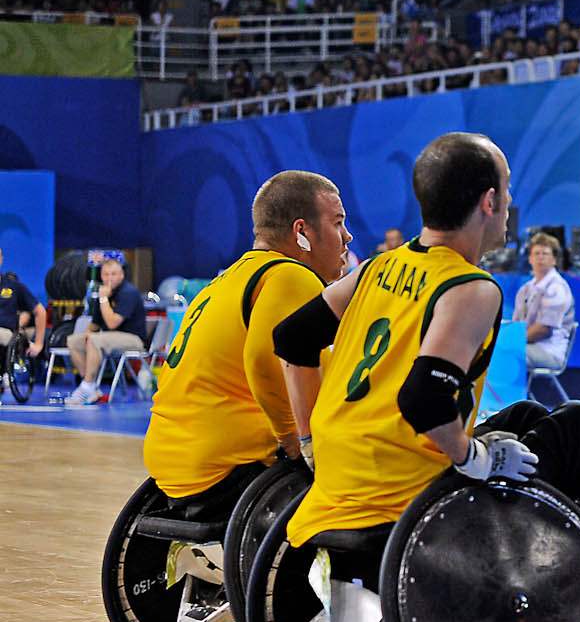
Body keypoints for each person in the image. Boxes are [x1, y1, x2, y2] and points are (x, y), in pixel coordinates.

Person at [272, 132, 580, 555]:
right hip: (401, 494)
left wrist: (307, 440)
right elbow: (423, 399)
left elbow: (290, 337)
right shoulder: (471, 288)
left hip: (340, 472)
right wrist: (475, 457)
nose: (508, 203)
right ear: (490, 202)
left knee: (527, 414)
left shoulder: (377, 267)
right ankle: (576, 587)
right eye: (506, 189)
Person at [142, 171, 350, 504]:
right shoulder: (292, 275)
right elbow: (264, 359)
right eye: (337, 223)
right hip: (226, 463)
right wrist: (296, 441)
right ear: (302, 232)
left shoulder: (224, 281)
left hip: (169, 459)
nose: (347, 236)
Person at [65, 254, 148, 406]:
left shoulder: (128, 292)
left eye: (113, 274)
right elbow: (95, 324)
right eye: (106, 274)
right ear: (101, 276)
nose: (110, 278)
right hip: (110, 338)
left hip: (133, 339)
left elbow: (111, 324)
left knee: (95, 340)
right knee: (73, 341)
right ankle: (90, 386)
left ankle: (86, 386)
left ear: (122, 275)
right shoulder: (103, 293)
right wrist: (86, 334)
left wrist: (103, 299)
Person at [513, 231, 575, 372]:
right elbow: (516, 324)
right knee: (494, 351)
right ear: (530, 259)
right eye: (537, 253)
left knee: (506, 354)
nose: (540, 257)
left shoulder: (557, 288)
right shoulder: (525, 289)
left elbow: (543, 330)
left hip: (550, 351)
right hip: (529, 346)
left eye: (545, 254)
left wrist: (512, 342)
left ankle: (507, 395)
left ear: (553, 260)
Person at [0, 246, 48, 366]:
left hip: (7, 333)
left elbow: (40, 311)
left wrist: (38, 343)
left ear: (1, 259)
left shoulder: (14, 287)